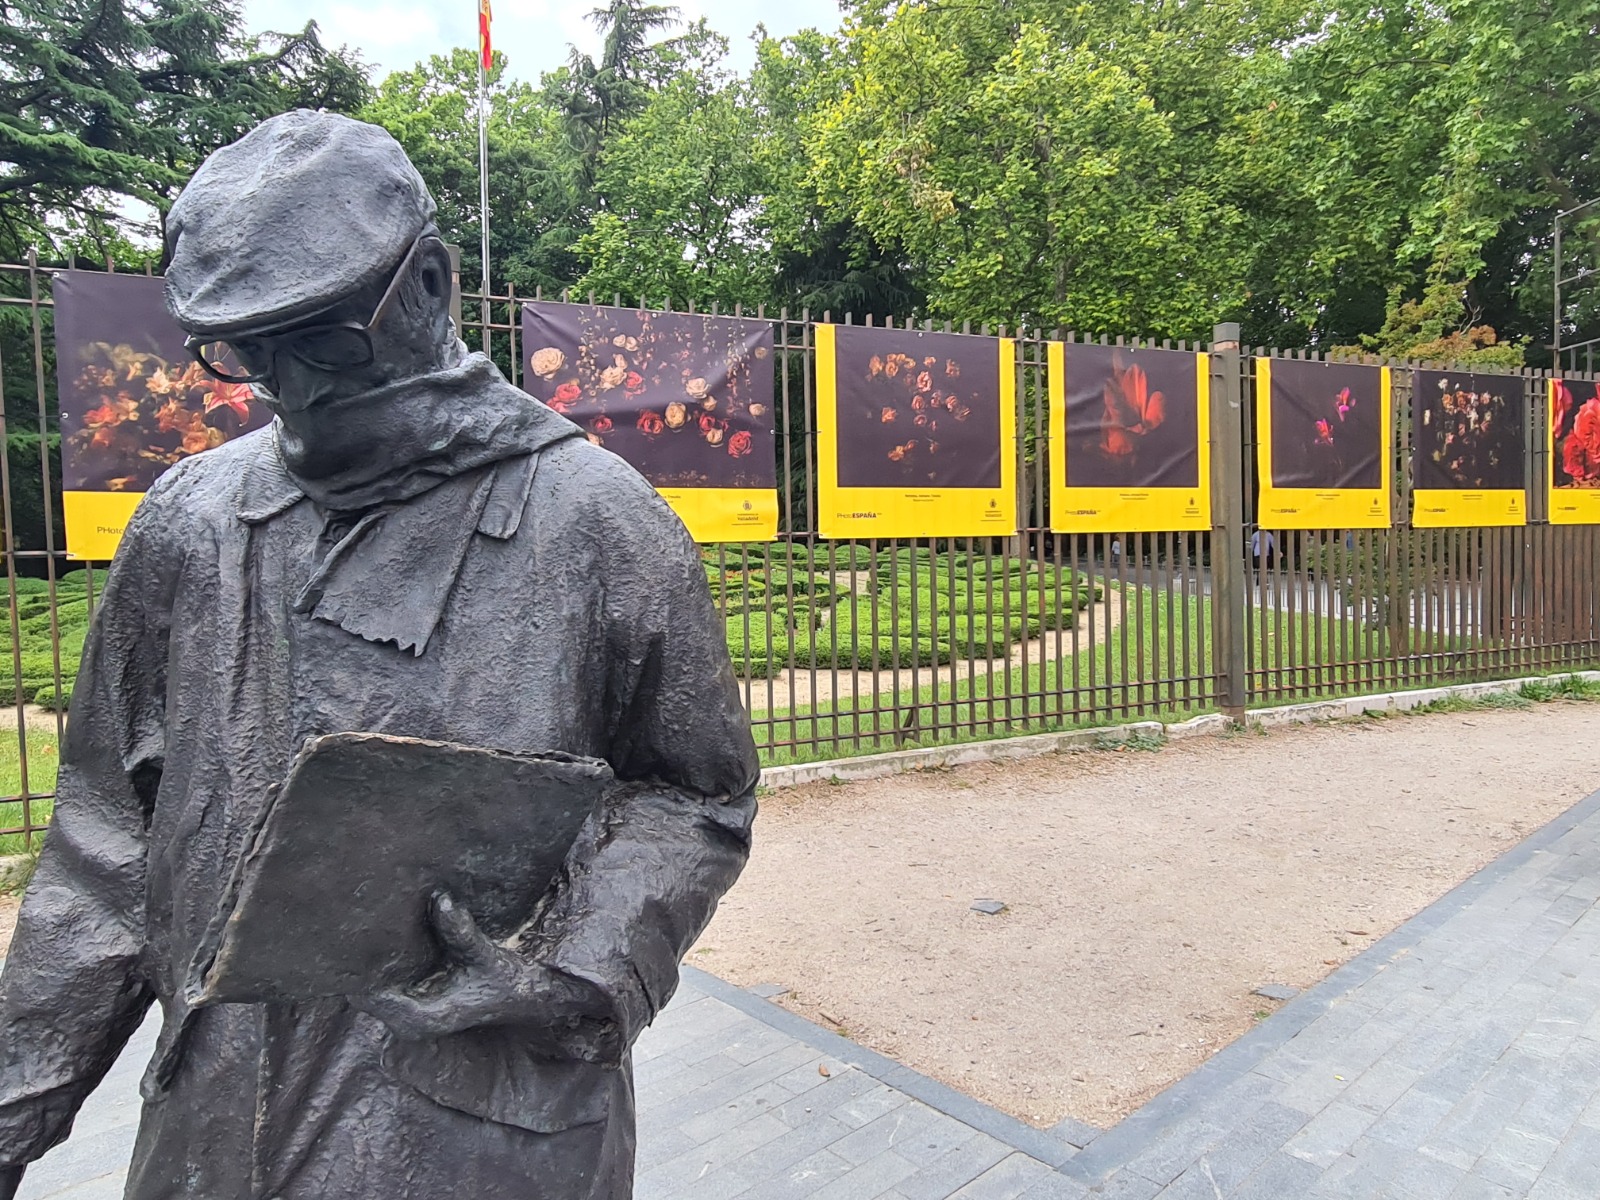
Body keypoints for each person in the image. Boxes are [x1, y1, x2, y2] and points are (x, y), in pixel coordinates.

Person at [0, 112, 759, 1200]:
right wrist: (14, 1110)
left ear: (431, 282)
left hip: (487, 1124)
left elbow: (696, 795)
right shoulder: (189, 519)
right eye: (250, 351)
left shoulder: (600, 521)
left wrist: (568, 968)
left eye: (324, 340)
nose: (292, 386)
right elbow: (103, 845)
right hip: (218, 1122)